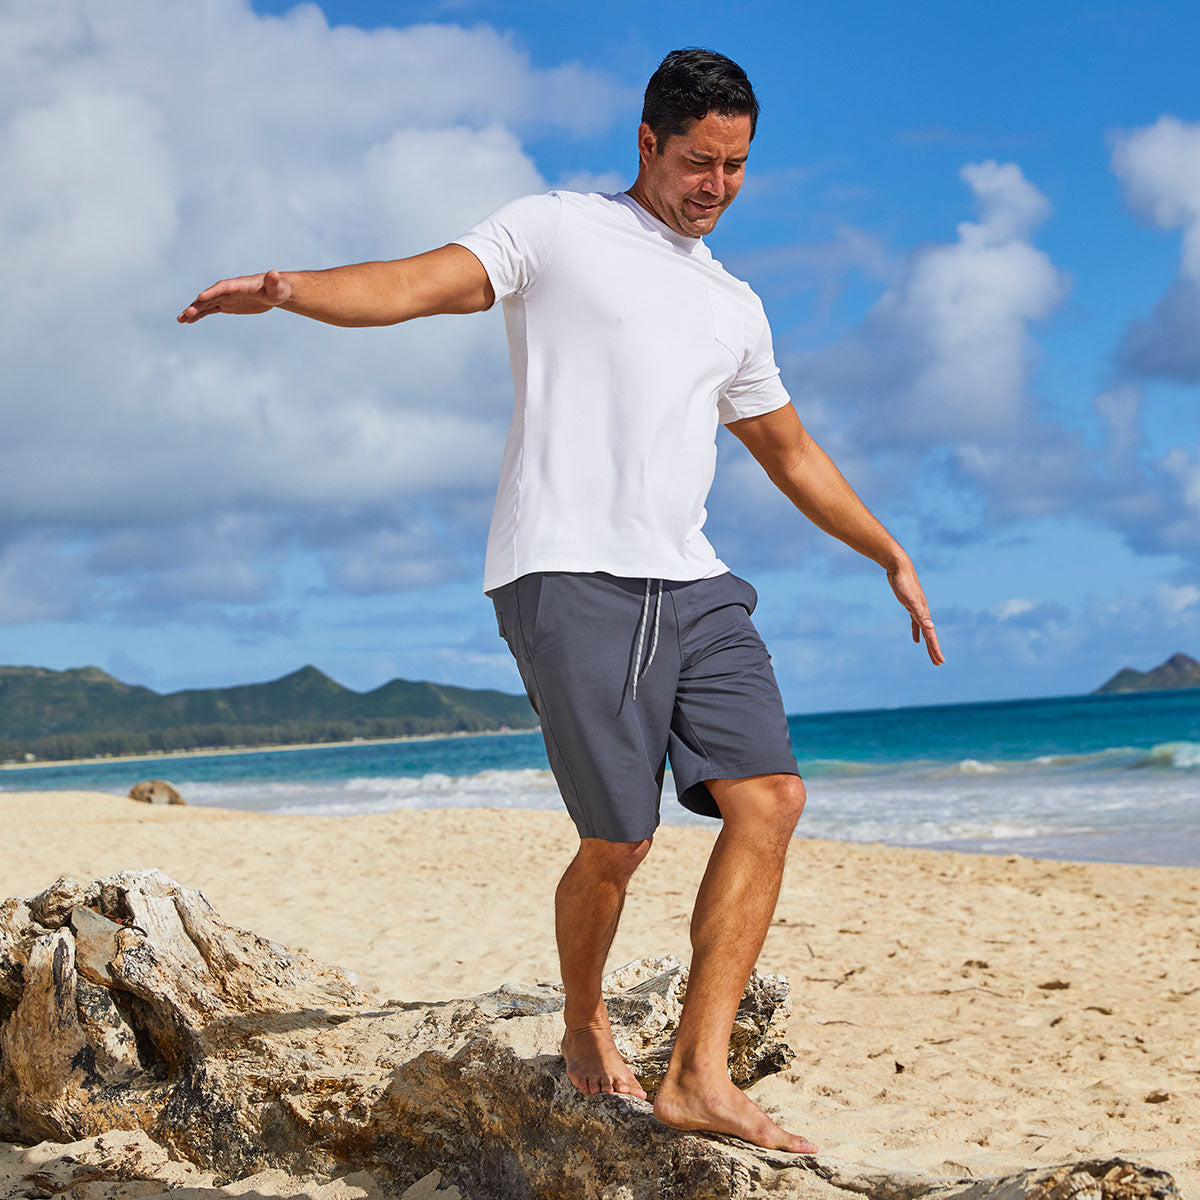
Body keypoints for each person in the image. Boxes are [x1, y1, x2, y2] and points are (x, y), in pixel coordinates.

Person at [179, 47, 943, 1156]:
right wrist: (293, 291)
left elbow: (786, 446)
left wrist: (887, 550)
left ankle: (697, 1073)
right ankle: (585, 1020)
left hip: (692, 577)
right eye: (697, 161)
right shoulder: (558, 230)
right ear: (647, 143)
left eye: (735, 166)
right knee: (618, 843)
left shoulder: (734, 303)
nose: (716, 186)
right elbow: (424, 280)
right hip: (568, 571)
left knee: (770, 797)